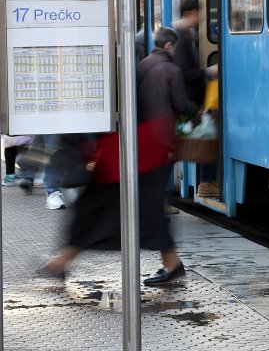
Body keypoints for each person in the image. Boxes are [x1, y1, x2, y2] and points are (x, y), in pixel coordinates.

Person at [41, 28, 201, 285]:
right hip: (136, 150)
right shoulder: (117, 69)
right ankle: (61, 263)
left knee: (108, 211)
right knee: (133, 212)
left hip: (133, 153)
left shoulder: (113, 72)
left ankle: (60, 263)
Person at [173, 0, 219, 198]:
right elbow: (183, 73)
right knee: (207, 136)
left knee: (200, 137)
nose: (201, 17)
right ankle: (206, 183)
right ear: (190, 14)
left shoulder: (181, 36)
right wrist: (207, 72)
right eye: (198, 13)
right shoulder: (182, 40)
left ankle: (204, 182)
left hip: (189, 99)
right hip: (190, 99)